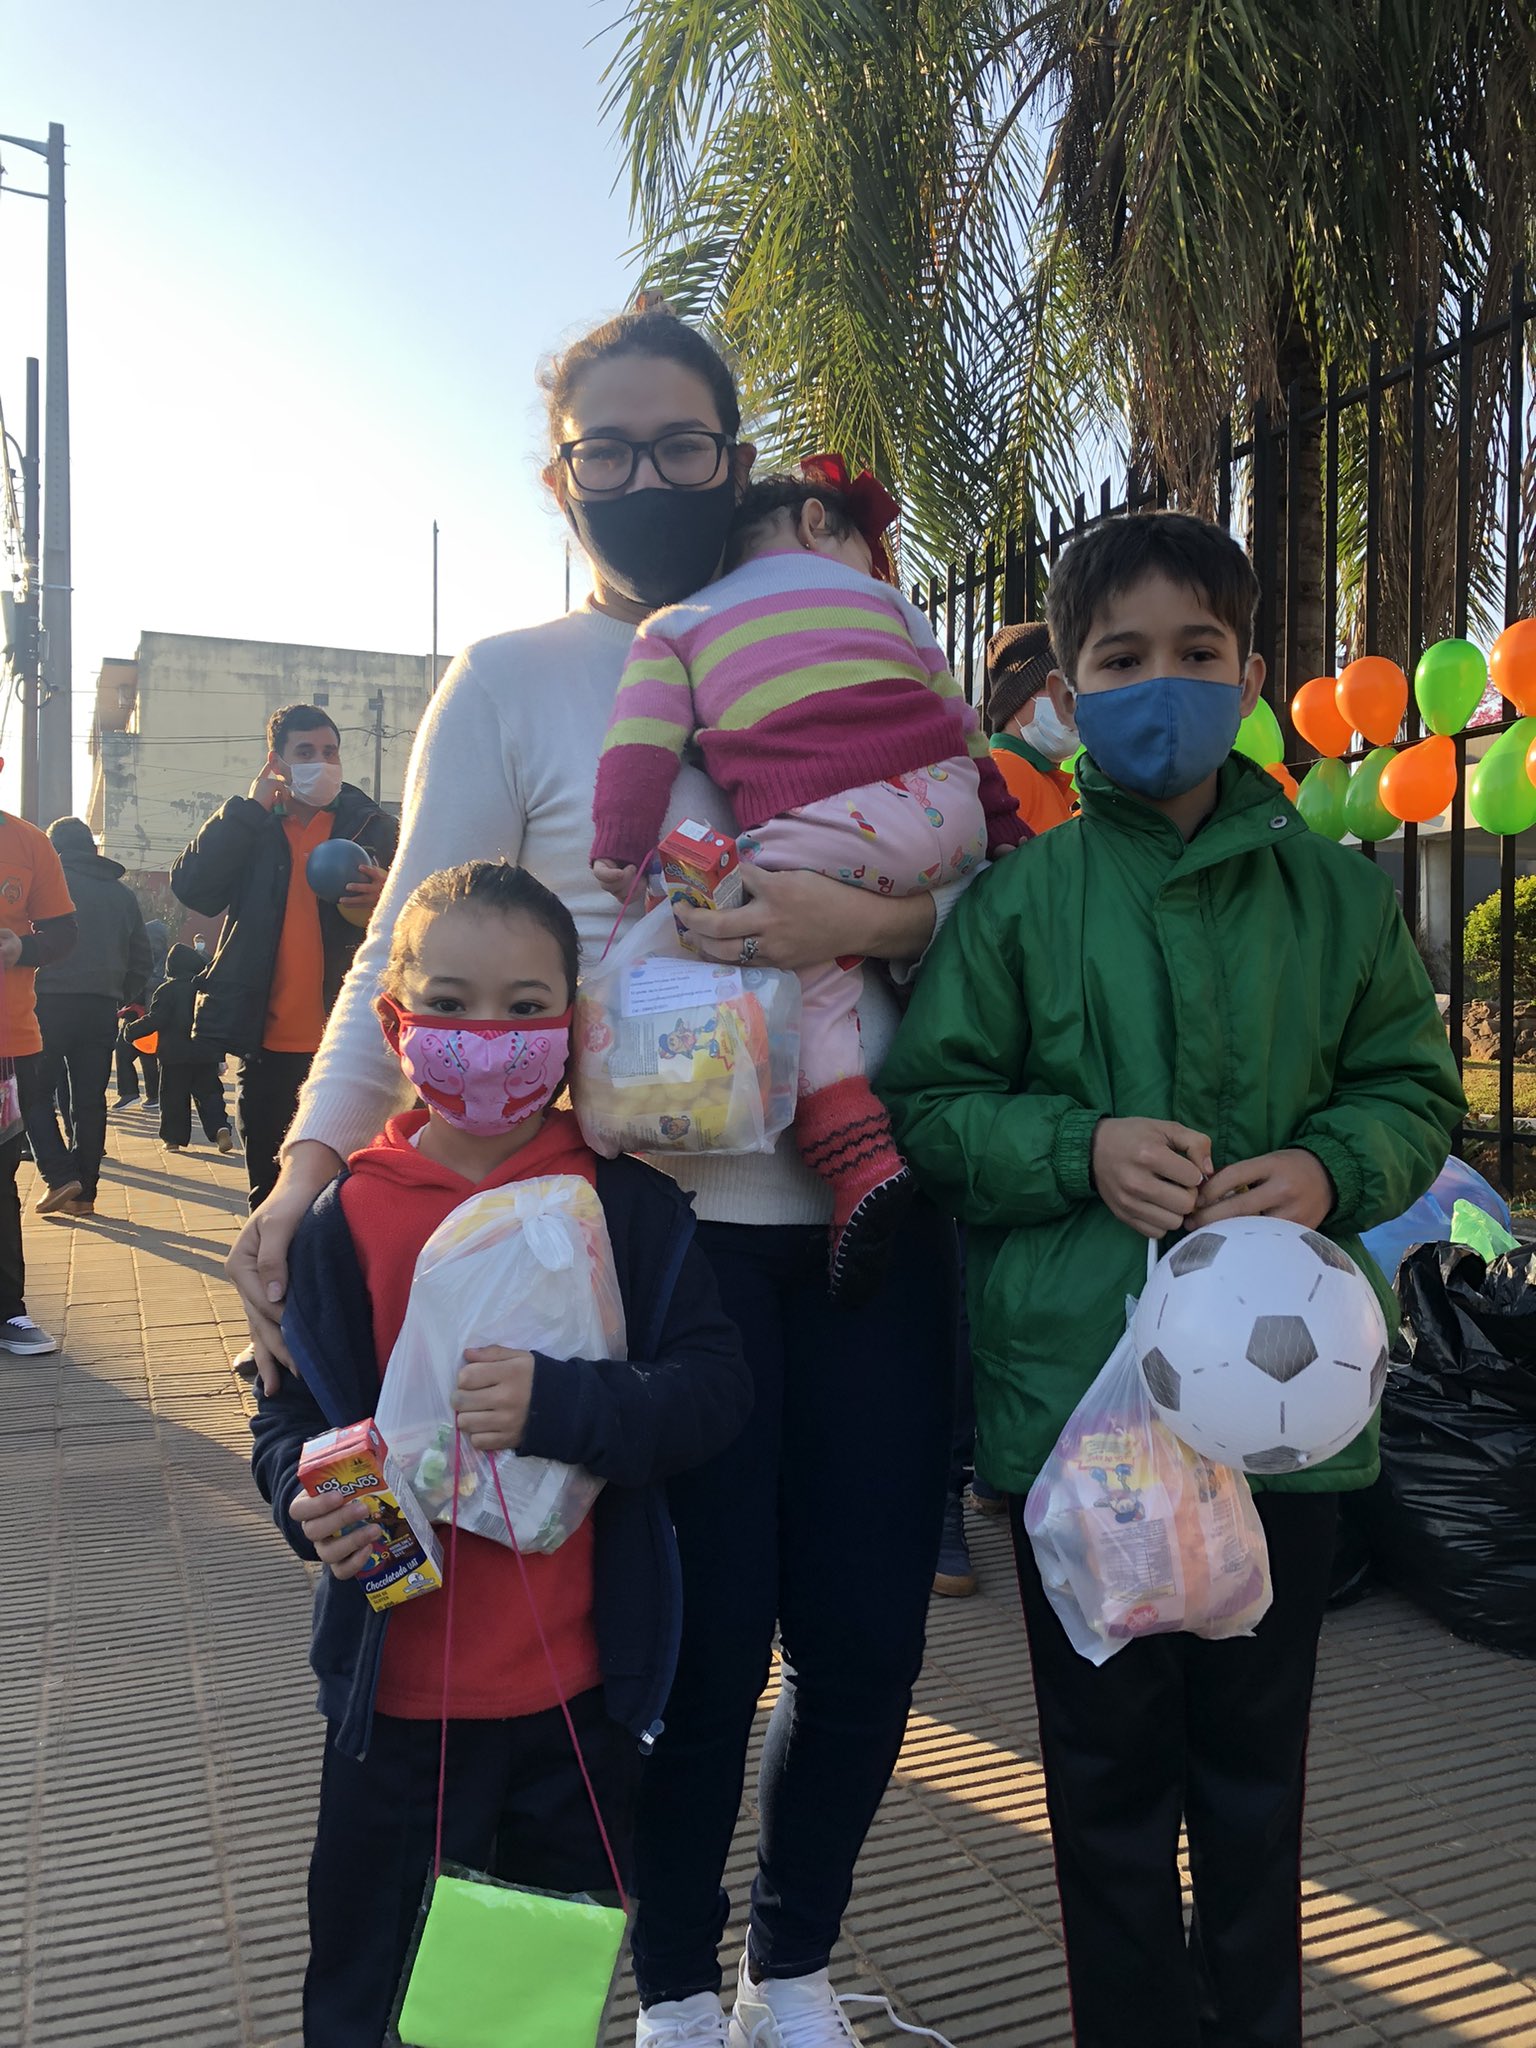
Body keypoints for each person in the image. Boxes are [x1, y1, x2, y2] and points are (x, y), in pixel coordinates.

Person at [226, 302, 962, 2048]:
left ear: (732, 450)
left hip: (865, 1226)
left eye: (682, 445)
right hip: (645, 1256)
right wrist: (303, 1167)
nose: (648, 478)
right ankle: (673, 1986)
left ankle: (792, 1967)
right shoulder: (517, 677)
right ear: (561, 477)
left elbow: (969, 887)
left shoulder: (861, 632)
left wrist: (863, 916)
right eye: (607, 451)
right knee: (697, 1656)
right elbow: (400, 946)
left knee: (864, 1640)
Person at [879, 510, 1465, 2048]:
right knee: (1108, 1784)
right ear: (1065, 689)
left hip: (1291, 1422)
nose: (1161, 686)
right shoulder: (1019, 905)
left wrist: (1334, 1167)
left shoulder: (1338, 900)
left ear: (1253, 673)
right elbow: (932, 1114)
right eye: (1119, 658)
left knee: (1259, 1780)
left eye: (1197, 654)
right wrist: (1077, 1148)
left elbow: (1414, 1086)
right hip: (1084, 1424)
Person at [249, 860, 750, 2048]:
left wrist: (566, 1405)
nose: (490, 1036)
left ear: (573, 1026)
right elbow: (285, 1419)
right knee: (371, 1992)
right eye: (454, 1002)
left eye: (527, 1008)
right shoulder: (342, 1218)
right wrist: (298, 1494)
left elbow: (711, 1391)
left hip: (573, 1706)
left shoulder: (627, 1206)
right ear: (396, 1020)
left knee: (524, 2006)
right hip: (394, 1708)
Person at [590, 465, 1026, 1299]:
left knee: (800, 954)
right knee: (940, 949)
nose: (877, 564)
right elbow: (962, 724)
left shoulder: (674, 624)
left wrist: (620, 840)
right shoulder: (895, 606)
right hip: (948, 809)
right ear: (818, 521)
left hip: (825, 826)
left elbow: (640, 742)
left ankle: (853, 1151)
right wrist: (1001, 828)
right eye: (873, 546)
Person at [936, 624, 1079, 1594]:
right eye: (1072, 684)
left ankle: (991, 1471)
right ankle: (941, 1497)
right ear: (1033, 695)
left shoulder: (1062, 785)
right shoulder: (1002, 778)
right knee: (961, 1293)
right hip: (995, 1075)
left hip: (1044, 1072)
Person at [170, 703, 398, 1209]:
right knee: (271, 1196)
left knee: (349, 1196)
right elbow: (193, 888)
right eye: (306, 752)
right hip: (268, 1044)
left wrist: (391, 893)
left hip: (353, 1043)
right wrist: (247, 811)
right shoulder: (254, 827)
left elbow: (424, 913)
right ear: (277, 761)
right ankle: (274, 1287)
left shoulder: (373, 826)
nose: (322, 761)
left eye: (330, 751)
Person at [24, 818, 151, 1220]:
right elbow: (142, 959)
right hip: (101, 1008)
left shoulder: (46, 886)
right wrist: (118, 993)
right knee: (90, 1101)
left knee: (33, 1094)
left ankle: (60, 1175)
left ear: (54, 849)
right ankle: (85, 1196)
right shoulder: (122, 895)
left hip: (45, 1003)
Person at [0, 808, 77, 1352]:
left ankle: (9, 1311)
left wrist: (22, 947)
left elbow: (63, 931)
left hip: (7, 1046)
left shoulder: (29, 842)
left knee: (0, 1181)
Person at [983, 621, 1079, 833]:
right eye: (1055, 686)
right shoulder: (1007, 770)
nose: (1071, 701)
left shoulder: (1040, 777)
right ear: (1016, 698)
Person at [142, 945, 235, 1153]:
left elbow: (156, 1019)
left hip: (174, 1056)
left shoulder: (165, 990)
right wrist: (220, 1054)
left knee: (173, 1097)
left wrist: (131, 1031)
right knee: (210, 1094)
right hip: (205, 1053)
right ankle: (220, 1128)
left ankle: (173, 1140)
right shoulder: (206, 990)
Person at [115, 915, 169, 1110]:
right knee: (123, 1051)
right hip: (134, 1014)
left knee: (148, 1057)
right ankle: (129, 1093)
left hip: (150, 1017)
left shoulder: (164, 964)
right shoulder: (140, 959)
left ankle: (154, 1096)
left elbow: (160, 984)